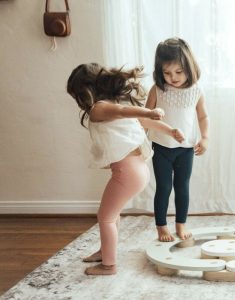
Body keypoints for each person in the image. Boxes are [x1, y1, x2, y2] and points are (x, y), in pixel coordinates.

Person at [67, 63, 184, 275]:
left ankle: (108, 265)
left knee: (105, 217)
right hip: (136, 170)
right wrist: (170, 130)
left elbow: (132, 113)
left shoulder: (100, 108)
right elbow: (141, 121)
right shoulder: (113, 105)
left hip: (127, 172)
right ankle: (105, 251)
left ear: (85, 90)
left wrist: (151, 112)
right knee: (112, 213)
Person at [146, 37, 209, 242]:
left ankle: (181, 223)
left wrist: (205, 137)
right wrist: (140, 146)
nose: (173, 77)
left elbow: (203, 116)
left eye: (178, 72)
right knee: (164, 187)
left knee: (182, 186)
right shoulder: (157, 89)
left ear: (189, 67)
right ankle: (161, 226)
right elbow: (145, 117)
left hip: (186, 148)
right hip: (161, 147)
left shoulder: (196, 91)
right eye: (167, 72)